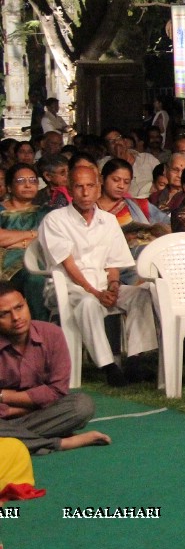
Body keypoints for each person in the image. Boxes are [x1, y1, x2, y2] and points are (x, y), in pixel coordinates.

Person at [37, 165, 158, 387]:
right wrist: (94, 292)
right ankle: (108, 366)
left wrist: (113, 286)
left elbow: (113, 263)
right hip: (67, 288)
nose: (85, 192)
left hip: (103, 286)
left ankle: (134, 361)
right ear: (70, 190)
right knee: (88, 303)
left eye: (90, 186)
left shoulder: (108, 221)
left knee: (141, 294)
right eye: (79, 187)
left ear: (98, 187)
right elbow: (68, 265)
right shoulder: (55, 220)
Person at [0, 283, 110, 454]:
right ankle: (61, 443)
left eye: (19, 307)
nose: (16, 317)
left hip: (42, 414)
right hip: (13, 419)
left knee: (82, 405)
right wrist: (34, 403)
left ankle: (19, 440)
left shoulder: (52, 334)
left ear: (27, 304)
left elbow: (57, 392)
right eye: (4, 314)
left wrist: (4, 395)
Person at [0, 166, 49, 320]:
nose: (28, 185)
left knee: (36, 277)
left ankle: (40, 329)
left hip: (37, 259)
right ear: (9, 186)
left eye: (33, 180)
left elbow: (47, 240)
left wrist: (13, 241)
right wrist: (32, 234)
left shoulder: (46, 212)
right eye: (21, 181)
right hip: (5, 263)